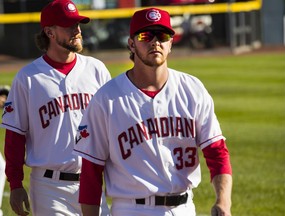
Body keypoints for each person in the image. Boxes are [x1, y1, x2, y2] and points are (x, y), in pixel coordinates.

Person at [73, 7, 232, 216]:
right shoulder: (107, 99)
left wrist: (223, 201)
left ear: (170, 43)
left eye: (163, 35)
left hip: (184, 208)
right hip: (132, 209)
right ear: (131, 43)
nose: (155, 42)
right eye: (146, 35)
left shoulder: (192, 89)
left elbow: (217, 152)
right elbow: (91, 172)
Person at [0, 0, 111, 215]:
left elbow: (112, 126)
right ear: (49, 32)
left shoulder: (96, 70)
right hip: (49, 188)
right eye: (69, 26)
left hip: (92, 183)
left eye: (78, 24)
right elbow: (14, 136)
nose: (77, 30)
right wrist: (15, 184)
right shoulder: (28, 78)